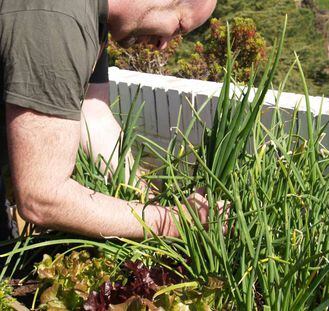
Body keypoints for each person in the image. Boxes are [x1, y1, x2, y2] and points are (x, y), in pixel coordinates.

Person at [0, 0, 217, 240]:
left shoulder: (94, 17)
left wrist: (151, 200)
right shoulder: (58, 16)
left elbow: (94, 115)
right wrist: (172, 223)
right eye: (178, 26)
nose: (165, 45)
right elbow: (42, 197)